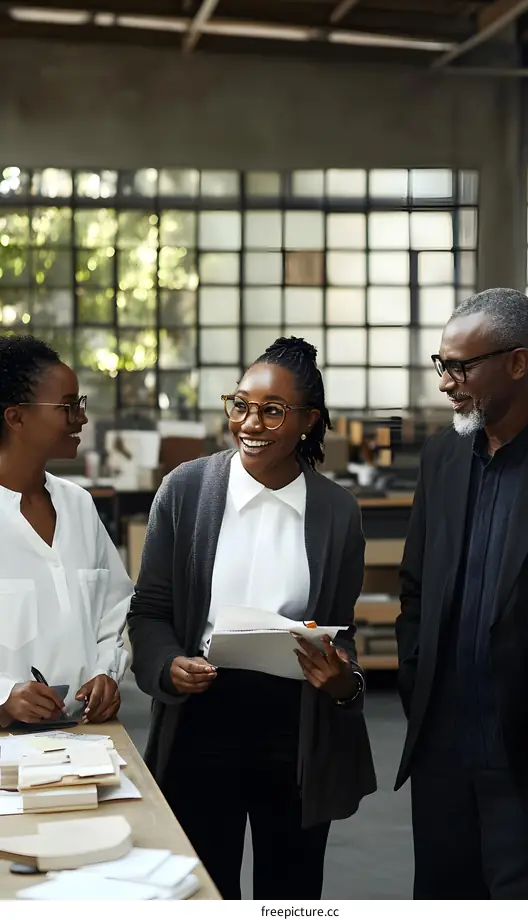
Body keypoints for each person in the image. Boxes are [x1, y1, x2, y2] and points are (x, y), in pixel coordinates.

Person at [128, 336, 376, 900]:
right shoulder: (185, 490)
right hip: (201, 718)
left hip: (296, 729)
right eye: (240, 404)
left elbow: (341, 630)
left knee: (291, 893)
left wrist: (344, 680)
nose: (250, 423)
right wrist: (168, 665)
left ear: (309, 421)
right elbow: (150, 611)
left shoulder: (336, 511)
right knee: (204, 890)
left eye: (273, 410)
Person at [395, 289, 528, 899]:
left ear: (518, 362)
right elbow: (416, 590)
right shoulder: (442, 456)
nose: (446, 383)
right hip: (442, 760)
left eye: (462, 367)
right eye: (443, 364)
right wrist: (418, 689)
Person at [0, 334, 132, 728]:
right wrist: (4, 697)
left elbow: (114, 608)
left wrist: (106, 672)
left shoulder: (79, 505)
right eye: (67, 406)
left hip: (87, 734)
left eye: (80, 404)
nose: (82, 418)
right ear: (16, 418)